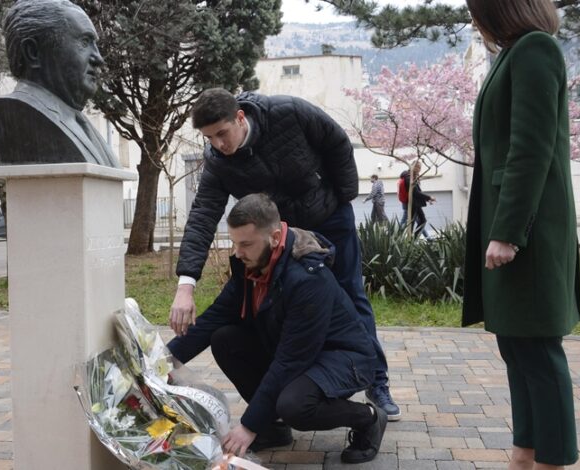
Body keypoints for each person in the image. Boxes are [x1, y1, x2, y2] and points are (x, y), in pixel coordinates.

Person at [170, 88, 400, 420]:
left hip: (328, 216)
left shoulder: (287, 111)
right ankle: (291, 394)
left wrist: (342, 196)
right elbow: (203, 214)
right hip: (278, 235)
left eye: (222, 133)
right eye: (209, 138)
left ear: (239, 117)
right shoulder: (218, 162)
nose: (219, 144)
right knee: (279, 304)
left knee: (351, 295)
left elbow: (336, 141)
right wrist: (186, 284)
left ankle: (377, 382)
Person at [167, 194, 388, 463]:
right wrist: (166, 359)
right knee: (225, 338)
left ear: (273, 237)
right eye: (235, 243)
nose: (238, 253)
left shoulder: (307, 278)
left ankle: (369, 418)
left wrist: (248, 426)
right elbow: (218, 314)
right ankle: (272, 429)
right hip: (299, 349)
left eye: (246, 244)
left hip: (345, 357)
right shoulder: (252, 263)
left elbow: (290, 361)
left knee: (295, 405)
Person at [463, 1, 580, 469]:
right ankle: (524, 453)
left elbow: (531, 150)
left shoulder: (535, 50)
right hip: (514, 226)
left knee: (537, 350)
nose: (475, 19)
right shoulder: (518, 52)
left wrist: (509, 232)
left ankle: (552, 460)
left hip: (528, 232)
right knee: (516, 344)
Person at [0, 0, 118, 167]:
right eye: (84, 43)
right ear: (33, 52)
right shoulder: (19, 115)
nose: (99, 59)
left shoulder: (78, 120)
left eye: (95, 45)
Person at [400, 163, 435, 238]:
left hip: (415, 203)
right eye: (417, 167)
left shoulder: (412, 176)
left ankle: (413, 239)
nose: (419, 169)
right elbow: (415, 192)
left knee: (421, 221)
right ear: (412, 166)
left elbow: (417, 191)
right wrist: (429, 197)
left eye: (420, 167)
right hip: (411, 204)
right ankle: (410, 241)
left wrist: (427, 200)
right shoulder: (408, 177)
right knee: (411, 223)